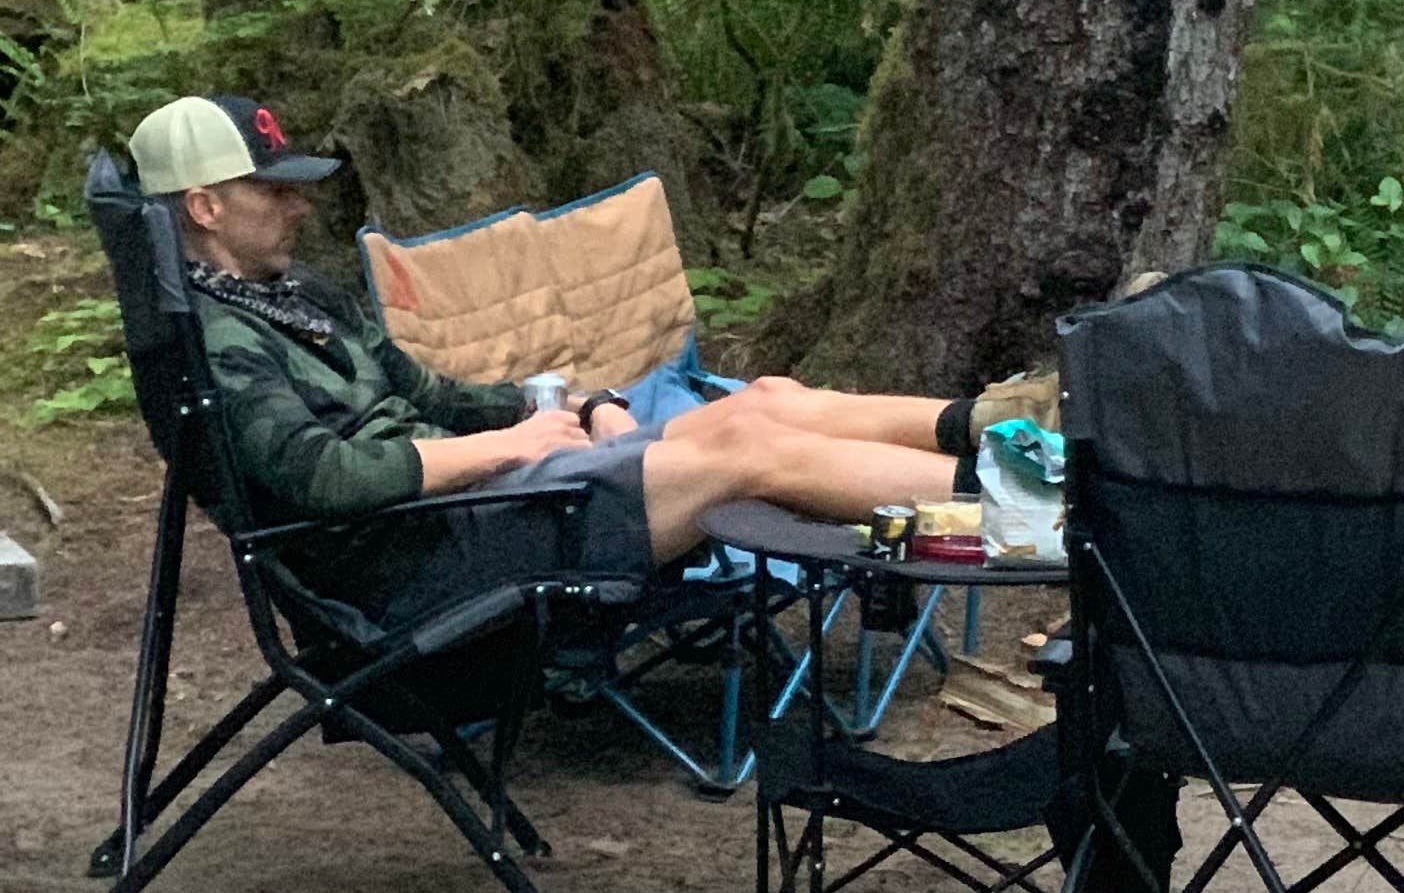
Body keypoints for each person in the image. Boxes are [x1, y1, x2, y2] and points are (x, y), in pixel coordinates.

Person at [130, 92, 969, 623]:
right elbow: (324, 480)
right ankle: (1047, 519)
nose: (300, 205)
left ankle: (994, 431)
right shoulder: (211, 339)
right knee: (751, 455)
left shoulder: (294, 293)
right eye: (273, 190)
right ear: (204, 206)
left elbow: (439, 395)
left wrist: (575, 406)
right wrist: (512, 448)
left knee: (763, 401)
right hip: (425, 559)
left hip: (484, 502)